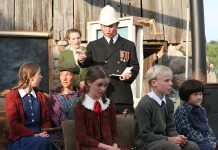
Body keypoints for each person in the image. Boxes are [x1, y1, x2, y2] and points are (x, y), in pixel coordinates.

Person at [77, 5, 139, 114]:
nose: (108, 30)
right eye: (105, 26)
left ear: (117, 25)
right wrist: (81, 59)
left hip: (121, 94)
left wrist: (130, 74)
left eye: (111, 26)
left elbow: (135, 66)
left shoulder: (128, 45)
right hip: (100, 95)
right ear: (100, 26)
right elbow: (86, 63)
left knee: (124, 128)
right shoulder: (93, 45)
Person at [134, 65, 199, 150]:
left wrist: (177, 137)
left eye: (171, 80)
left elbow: (171, 128)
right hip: (146, 143)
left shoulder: (169, 103)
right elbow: (145, 134)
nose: (171, 84)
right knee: (174, 148)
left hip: (165, 140)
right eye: (167, 81)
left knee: (192, 146)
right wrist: (168, 139)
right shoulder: (144, 104)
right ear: (154, 83)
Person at [5, 62, 56, 150]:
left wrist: (44, 132)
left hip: (40, 136)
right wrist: (34, 134)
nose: (41, 77)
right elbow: (14, 124)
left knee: (45, 142)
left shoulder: (40, 96)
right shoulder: (12, 96)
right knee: (44, 143)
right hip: (20, 138)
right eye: (39, 74)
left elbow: (46, 120)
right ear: (31, 77)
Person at [74, 66, 121, 150]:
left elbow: (114, 132)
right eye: (99, 85)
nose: (102, 89)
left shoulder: (109, 105)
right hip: (89, 147)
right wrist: (108, 148)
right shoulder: (80, 107)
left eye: (105, 85)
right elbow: (82, 137)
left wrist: (114, 145)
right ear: (89, 82)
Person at [175, 79, 218, 150]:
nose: (199, 97)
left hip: (205, 140)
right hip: (192, 141)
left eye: (200, 94)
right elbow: (187, 132)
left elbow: (208, 129)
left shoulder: (202, 109)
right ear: (186, 95)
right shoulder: (182, 110)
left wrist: (213, 141)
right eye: (195, 94)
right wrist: (207, 143)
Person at [49, 61, 80, 127]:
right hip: (59, 133)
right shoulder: (54, 97)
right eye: (61, 74)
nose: (64, 78)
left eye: (68, 74)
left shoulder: (81, 96)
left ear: (75, 76)